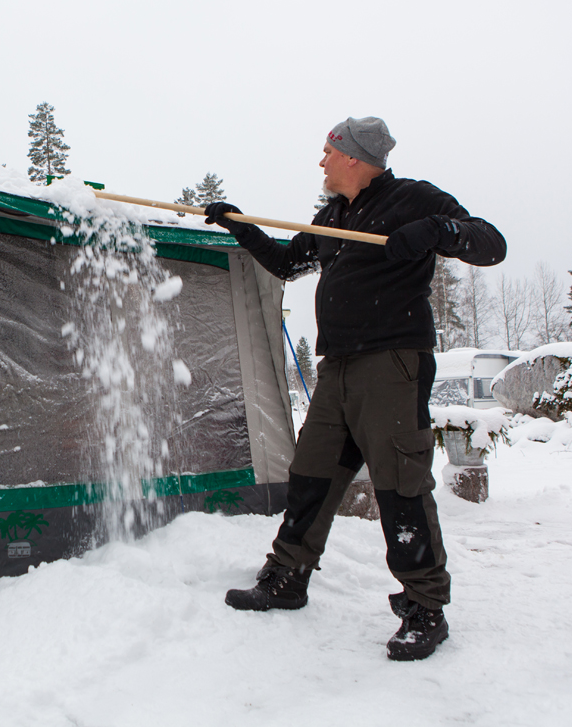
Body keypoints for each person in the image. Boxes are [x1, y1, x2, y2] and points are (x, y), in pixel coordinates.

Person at [204, 117, 505, 661]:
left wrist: (437, 230)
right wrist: (241, 226)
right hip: (337, 367)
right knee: (310, 475)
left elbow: (490, 243)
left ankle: (424, 607)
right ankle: (287, 576)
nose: (321, 161)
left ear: (353, 156)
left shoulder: (412, 199)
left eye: (328, 151)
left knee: (399, 484)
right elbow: (287, 262)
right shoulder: (333, 217)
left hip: (391, 364)